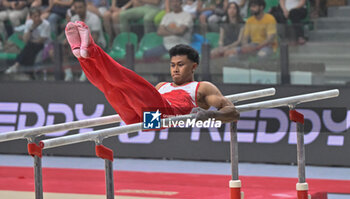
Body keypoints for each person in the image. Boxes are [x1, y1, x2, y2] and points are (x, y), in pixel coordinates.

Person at [64, 21, 240, 125]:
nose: (175, 69)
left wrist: (212, 115)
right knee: (109, 87)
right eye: (172, 65)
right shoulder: (162, 86)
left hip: (165, 113)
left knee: (127, 82)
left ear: (194, 66)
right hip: (140, 120)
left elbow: (233, 112)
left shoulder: (202, 87)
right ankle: (83, 56)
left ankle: (92, 50)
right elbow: (146, 115)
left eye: (181, 65)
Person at [64, 0, 106, 81]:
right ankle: (68, 75)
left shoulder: (94, 18)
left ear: (85, 7)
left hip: (97, 44)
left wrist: (81, 46)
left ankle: (85, 74)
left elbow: (95, 38)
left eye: (80, 7)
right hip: (79, 45)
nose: (78, 10)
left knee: (86, 49)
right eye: (76, 8)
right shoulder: (74, 19)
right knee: (63, 49)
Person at [5, 7, 50, 76]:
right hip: (32, 45)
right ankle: (28, 73)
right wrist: (31, 29)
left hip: (44, 45)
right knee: (29, 48)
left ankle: (16, 65)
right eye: (35, 16)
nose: (37, 18)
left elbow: (41, 40)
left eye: (38, 16)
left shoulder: (46, 24)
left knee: (29, 46)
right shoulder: (29, 23)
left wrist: (31, 41)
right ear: (31, 17)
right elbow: (25, 39)